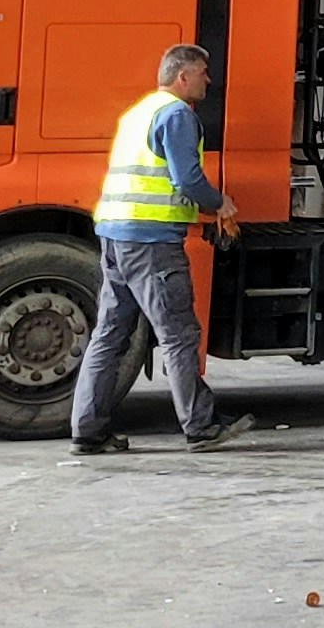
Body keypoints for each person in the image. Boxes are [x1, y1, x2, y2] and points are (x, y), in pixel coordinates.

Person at [71, 43, 253, 453]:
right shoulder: (176, 115)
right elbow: (187, 179)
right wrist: (218, 202)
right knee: (178, 334)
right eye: (203, 72)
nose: (209, 79)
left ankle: (87, 430)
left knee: (110, 334)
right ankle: (200, 426)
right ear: (182, 76)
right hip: (151, 242)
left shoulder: (139, 112)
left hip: (116, 235)